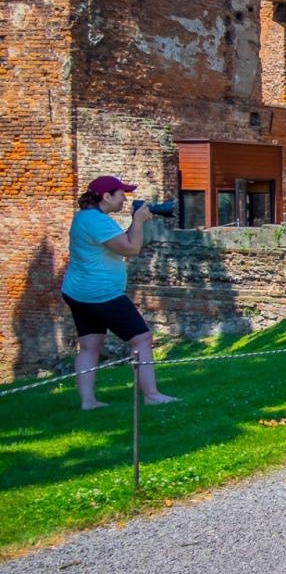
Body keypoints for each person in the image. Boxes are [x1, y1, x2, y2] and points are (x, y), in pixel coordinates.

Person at [61, 176, 178, 410]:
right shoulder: (98, 221)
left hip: (77, 291)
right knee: (142, 339)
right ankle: (152, 395)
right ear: (106, 196)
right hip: (102, 294)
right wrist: (139, 220)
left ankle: (88, 401)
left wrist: (137, 223)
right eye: (121, 193)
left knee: (90, 345)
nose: (125, 198)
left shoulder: (84, 217)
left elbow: (117, 243)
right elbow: (131, 248)